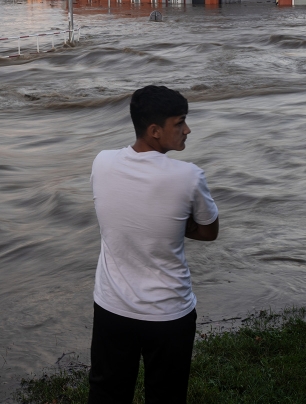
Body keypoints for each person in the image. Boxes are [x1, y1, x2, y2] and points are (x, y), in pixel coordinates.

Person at [88, 85, 219, 404]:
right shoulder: (188, 176)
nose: (187, 130)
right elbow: (208, 231)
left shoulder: (102, 162)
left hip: (112, 307)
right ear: (155, 130)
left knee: (107, 392)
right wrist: (170, 224)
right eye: (180, 123)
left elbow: (117, 214)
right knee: (166, 395)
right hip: (169, 313)